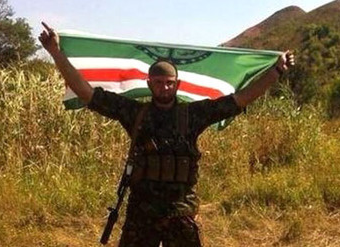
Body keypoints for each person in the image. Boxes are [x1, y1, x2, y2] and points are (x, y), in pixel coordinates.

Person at [39, 22, 294, 247]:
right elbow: (86, 93)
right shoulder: (134, 113)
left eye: (170, 83)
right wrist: (55, 52)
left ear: (178, 84)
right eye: (159, 83)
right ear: (149, 84)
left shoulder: (194, 114)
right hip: (142, 213)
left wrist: (276, 72)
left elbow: (240, 99)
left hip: (179, 213)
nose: (165, 87)